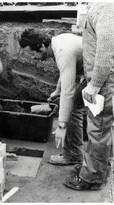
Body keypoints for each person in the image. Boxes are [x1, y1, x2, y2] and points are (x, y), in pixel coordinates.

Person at [64, 3, 114, 190]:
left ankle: (91, 177)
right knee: (98, 128)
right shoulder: (102, 5)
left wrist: (94, 84)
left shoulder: (105, 5)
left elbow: (107, 48)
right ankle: (96, 168)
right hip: (102, 78)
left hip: (101, 81)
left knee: (97, 129)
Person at [19, 29, 87, 166]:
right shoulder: (58, 41)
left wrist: (62, 126)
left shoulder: (62, 52)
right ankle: (77, 148)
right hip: (94, 71)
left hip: (100, 74)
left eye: (32, 52)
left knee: (72, 108)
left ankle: (73, 155)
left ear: (42, 46)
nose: (32, 57)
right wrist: (57, 90)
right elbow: (67, 71)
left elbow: (68, 92)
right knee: (74, 106)